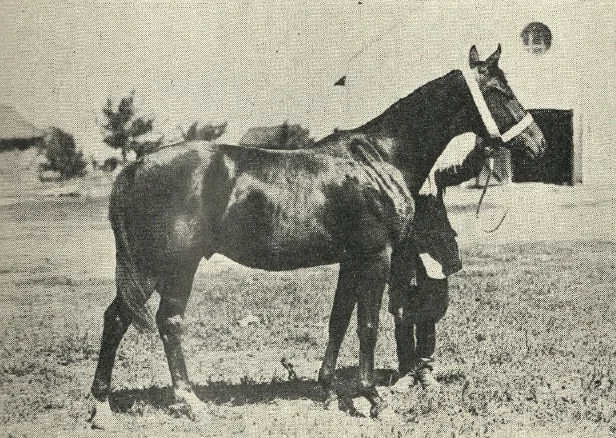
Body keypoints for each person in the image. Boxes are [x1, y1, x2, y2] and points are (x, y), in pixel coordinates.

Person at [389, 137, 499, 390]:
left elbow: (464, 170)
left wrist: (481, 151)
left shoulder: (436, 176)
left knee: (428, 311)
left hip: (432, 253)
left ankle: (425, 368)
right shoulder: (394, 178)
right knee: (402, 312)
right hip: (403, 253)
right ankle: (406, 370)